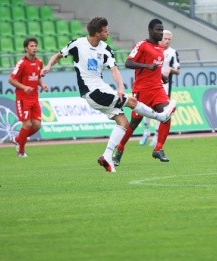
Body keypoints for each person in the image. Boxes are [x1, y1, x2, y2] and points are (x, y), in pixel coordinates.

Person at [39, 16, 176, 173]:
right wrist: (48, 66)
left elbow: (114, 69)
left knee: (123, 123)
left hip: (102, 89)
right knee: (131, 102)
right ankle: (160, 117)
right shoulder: (78, 44)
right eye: (105, 30)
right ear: (97, 33)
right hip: (92, 91)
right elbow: (58, 55)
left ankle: (107, 156)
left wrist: (120, 87)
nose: (108, 32)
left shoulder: (106, 49)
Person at [113, 19, 177, 166]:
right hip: (142, 91)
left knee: (167, 115)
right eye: (158, 30)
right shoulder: (142, 45)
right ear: (150, 30)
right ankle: (119, 150)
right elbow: (128, 63)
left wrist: (161, 76)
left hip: (157, 89)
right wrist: (147, 66)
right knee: (134, 122)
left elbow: (155, 67)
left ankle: (158, 148)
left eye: (162, 30)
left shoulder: (160, 48)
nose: (160, 33)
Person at [8, 36, 49, 158]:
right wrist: (24, 87)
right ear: (26, 48)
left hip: (34, 98)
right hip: (23, 98)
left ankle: (17, 139)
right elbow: (11, 80)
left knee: (37, 125)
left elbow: (37, 77)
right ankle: (21, 151)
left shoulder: (39, 62)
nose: (34, 48)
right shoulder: (21, 63)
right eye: (31, 46)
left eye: (35, 46)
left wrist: (42, 84)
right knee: (27, 125)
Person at [140, 29, 180, 147]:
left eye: (169, 39)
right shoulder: (153, 50)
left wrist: (171, 70)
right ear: (160, 39)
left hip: (164, 87)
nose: (167, 41)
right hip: (150, 85)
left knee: (162, 112)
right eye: (165, 39)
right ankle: (146, 132)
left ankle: (156, 136)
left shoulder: (173, 53)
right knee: (145, 109)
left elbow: (178, 70)